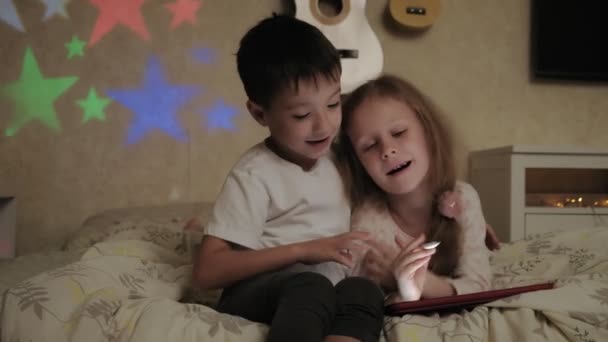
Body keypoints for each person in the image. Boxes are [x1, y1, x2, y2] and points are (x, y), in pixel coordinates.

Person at [192, 14, 385, 342]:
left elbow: (395, 187)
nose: (323, 126)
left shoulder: (339, 158)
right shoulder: (254, 174)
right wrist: (302, 251)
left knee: (365, 291)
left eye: (333, 103)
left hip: (325, 287)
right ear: (260, 114)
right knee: (311, 286)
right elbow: (208, 271)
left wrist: (453, 213)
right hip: (260, 290)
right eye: (301, 115)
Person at [334, 74, 492, 303]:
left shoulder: (464, 198)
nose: (387, 150)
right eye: (369, 146)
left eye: (398, 133)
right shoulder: (367, 222)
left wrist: (420, 282)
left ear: (428, 130)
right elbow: (356, 295)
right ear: (359, 163)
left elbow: (479, 284)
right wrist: (398, 285)